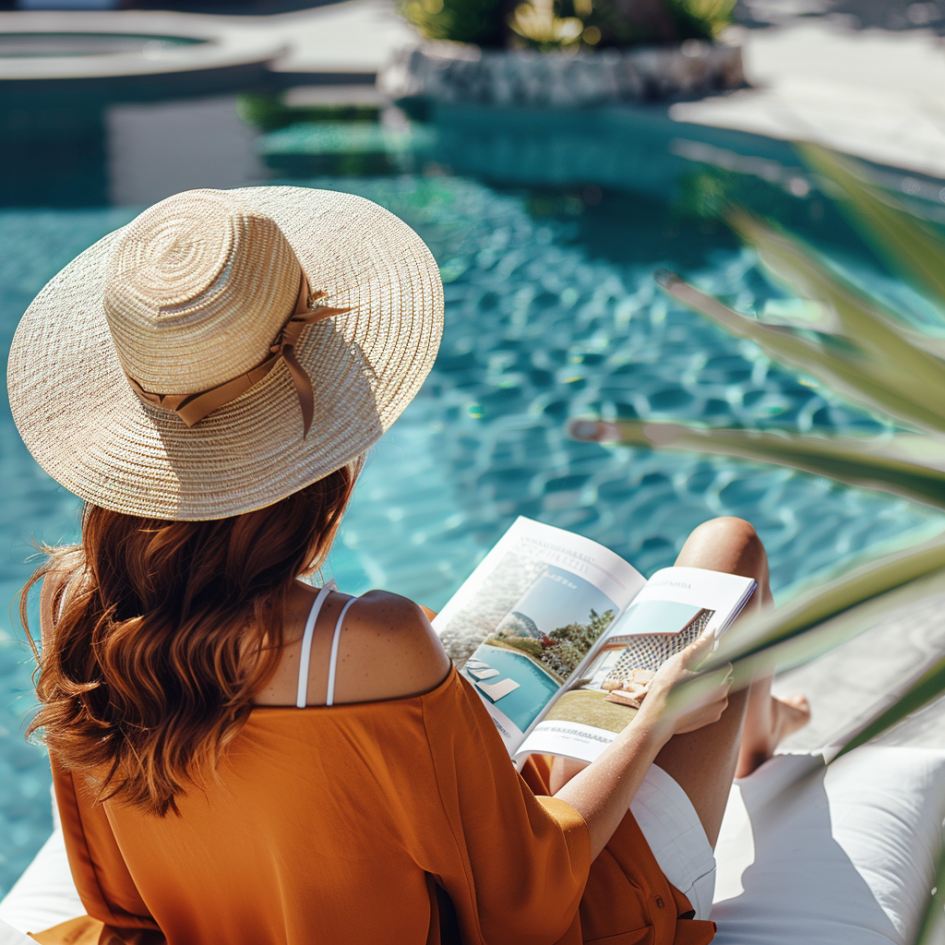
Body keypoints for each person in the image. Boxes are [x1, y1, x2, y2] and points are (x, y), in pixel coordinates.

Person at [8, 187, 809, 945]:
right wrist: (654, 717)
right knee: (726, 549)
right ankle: (760, 728)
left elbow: (114, 894)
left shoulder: (77, 608)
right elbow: (528, 903)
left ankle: (766, 720)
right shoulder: (368, 639)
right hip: (560, 912)